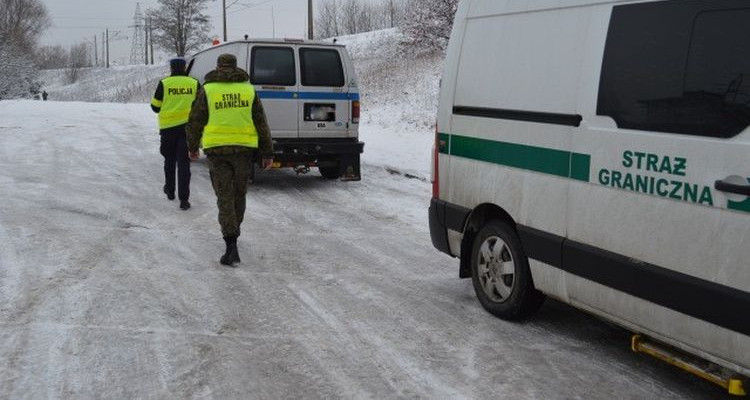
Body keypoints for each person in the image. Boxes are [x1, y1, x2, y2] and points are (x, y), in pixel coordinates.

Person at [186, 54, 274, 266]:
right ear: (236, 68)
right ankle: (235, 231)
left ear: (218, 67)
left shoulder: (208, 90)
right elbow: (261, 123)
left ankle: (230, 242)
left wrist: (192, 147)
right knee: (238, 194)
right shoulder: (248, 90)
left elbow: (196, 120)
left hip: (217, 151)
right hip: (244, 151)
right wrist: (267, 153)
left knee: (224, 196)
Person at [151, 58, 199, 210]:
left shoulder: (164, 84)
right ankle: (184, 200)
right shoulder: (194, 83)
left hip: (168, 129)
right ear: (185, 68)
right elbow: (200, 105)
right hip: (187, 129)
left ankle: (170, 191)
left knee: (169, 160)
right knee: (184, 164)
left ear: (171, 68)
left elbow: (155, 107)